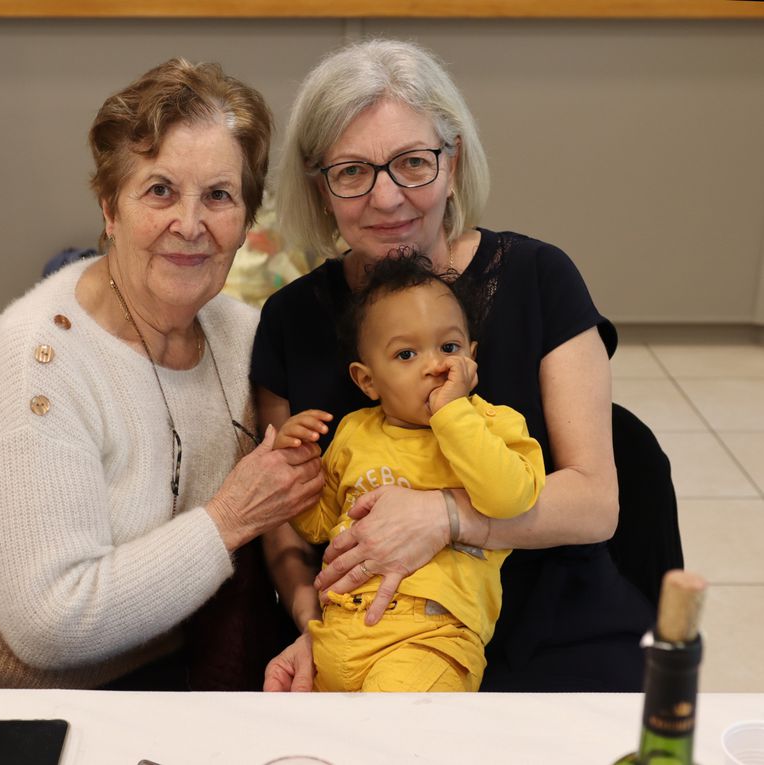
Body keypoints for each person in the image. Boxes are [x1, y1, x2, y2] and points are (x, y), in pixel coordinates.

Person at [0, 58, 323, 690]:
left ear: (247, 221)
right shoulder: (38, 356)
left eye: (219, 196)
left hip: (122, 675)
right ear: (110, 208)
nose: (190, 224)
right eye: (160, 190)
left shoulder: (239, 334)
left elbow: (291, 507)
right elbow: (50, 625)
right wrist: (228, 517)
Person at [253, 38, 660, 693]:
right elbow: (285, 526)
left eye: (413, 162)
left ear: (453, 159)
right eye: (353, 171)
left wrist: (444, 516)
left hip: (549, 618)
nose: (387, 199)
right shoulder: (290, 319)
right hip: (364, 633)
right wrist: (312, 622)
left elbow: (595, 501)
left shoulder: (538, 278)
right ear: (318, 185)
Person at [273, 251, 544, 692]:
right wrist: (297, 467)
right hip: (335, 637)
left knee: (391, 744)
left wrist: (453, 413)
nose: (435, 365)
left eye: (450, 348)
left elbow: (509, 498)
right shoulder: (353, 432)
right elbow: (320, 526)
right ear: (367, 381)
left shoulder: (494, 424)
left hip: (430, 638)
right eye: (406, 354)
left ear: (472, 359)